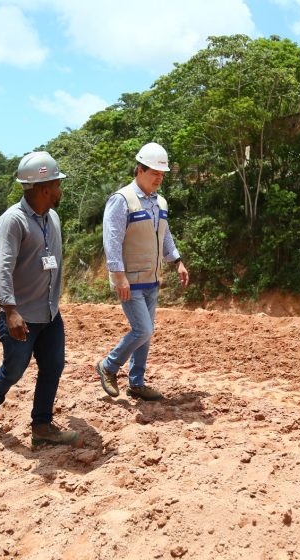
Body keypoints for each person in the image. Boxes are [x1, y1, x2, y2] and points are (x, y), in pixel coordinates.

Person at [0, 151, 78, 446]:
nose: (60, 189)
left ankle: (42, 425)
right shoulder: (13, 221)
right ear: (44, 188)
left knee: (53, 367)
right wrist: (10, 311)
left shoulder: (53, 218)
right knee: (14, 370)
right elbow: (2, 269)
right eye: (57, 184)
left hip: (49, 314)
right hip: (20, 316)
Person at [95, 142, 189, 401]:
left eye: (162, 174)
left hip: (152, 278)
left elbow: (164, 234)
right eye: (154, 173)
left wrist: (177, 261)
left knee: (145, 335)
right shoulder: (121, 199)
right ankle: (108, 367)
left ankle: (136, 383)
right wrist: (118, 276)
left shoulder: (161, 201)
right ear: (139, 170)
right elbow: (111, 241)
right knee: (143, 330)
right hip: (130, 280)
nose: (159, 178)